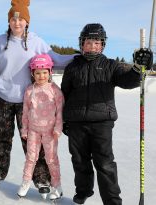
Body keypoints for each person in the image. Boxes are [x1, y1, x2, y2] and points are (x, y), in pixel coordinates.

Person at [0, 0, 74, 198]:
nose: (17, 23)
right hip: (3, 98)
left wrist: (77, 57)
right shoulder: (0, 42)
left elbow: (56, 60)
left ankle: (41, 178)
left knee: (33, 142)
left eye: (21, 19)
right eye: (13, 19)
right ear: (9, 21)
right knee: (2, 138)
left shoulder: (36, 41)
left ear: (27, 22)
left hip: (28, 101)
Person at [61, 23, 153, 205]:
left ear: (103, 45)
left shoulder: (111, 65)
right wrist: (64, 119)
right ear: (82, 44)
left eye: (97, 43)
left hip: (102, 122)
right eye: (89, 42)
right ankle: (84, 190)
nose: (93, 46)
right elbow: (64, 94)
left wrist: (138, 69)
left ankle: (112, 200)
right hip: (76, 122)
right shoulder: (72, 67)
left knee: (104, 163)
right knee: (79, 160)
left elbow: (128, 81)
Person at [17, 54, 64, 200]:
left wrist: (58, 128)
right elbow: (25, 111)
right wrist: (24, 129)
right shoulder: (29, 90)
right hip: (33, 130)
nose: (41, 76)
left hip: (50, 131)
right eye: (37, 73)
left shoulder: (54, 90)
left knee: (51, 159)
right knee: (31, 158)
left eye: (44, 72)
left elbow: (60, 111)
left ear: (50, 72)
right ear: (32, 74)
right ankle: (25, 183)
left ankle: (57, 186)